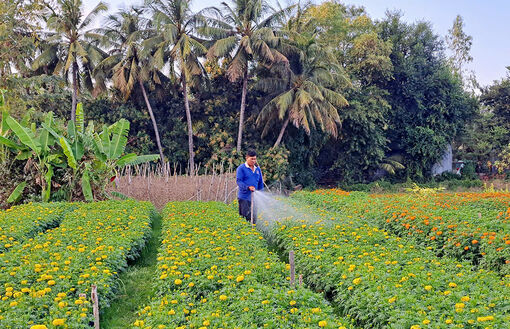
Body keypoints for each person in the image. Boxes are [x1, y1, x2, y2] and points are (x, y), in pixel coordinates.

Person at [236, 149, 264, 223]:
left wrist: (261, 193)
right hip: (244, 198)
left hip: (254, 198)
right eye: (252, 159)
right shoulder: (241, 168)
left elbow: (260, 183)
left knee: (253, 218)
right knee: (244, 218)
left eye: (255, 159)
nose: (253, 161)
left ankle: (252, 232)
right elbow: (239, 181)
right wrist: (248, 187)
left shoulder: (257, 169)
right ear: (247, 158)